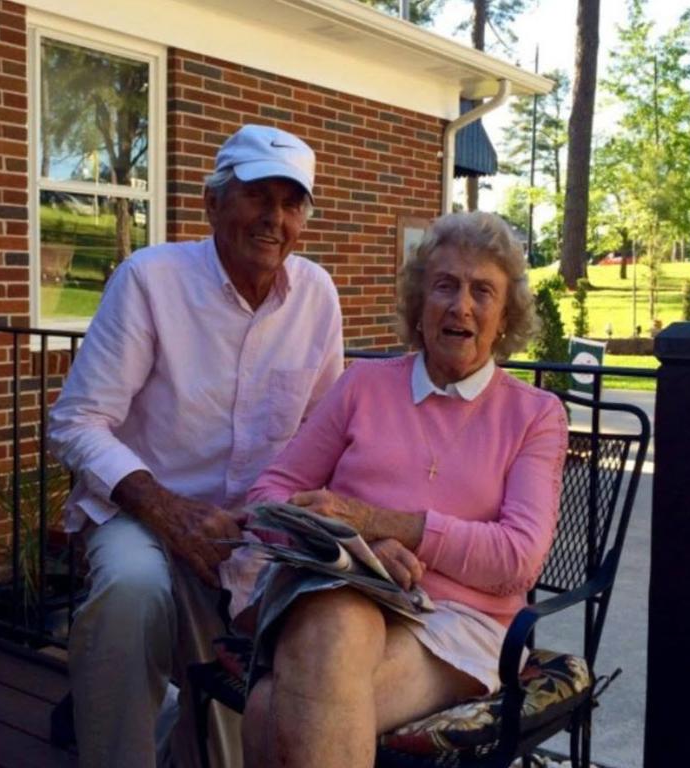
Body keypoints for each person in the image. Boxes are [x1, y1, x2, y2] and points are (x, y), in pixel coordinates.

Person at [226, 211, 569, 767]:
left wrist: (386, 524)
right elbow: (270, 494)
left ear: (505, 315)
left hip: (465, 624)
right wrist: (359, 547)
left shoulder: (534, 415)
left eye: (483, 290)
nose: (461, 305)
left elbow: (518, 561)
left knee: (271, 709)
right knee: (332, 616)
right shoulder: (363, 384)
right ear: (418, 303)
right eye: (444, 286)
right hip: (348, 592)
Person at [48, 124, 344, 768]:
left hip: (255, 529)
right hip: (142, 512)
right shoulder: (149, 280)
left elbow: (326, 433)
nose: (274, 218)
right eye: (256, 196)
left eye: (291, 203)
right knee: (131, 591)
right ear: (212, 204)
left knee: (317, 633)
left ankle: (189, 730)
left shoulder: (317, 295)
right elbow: (75, 423)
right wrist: (168, 510)